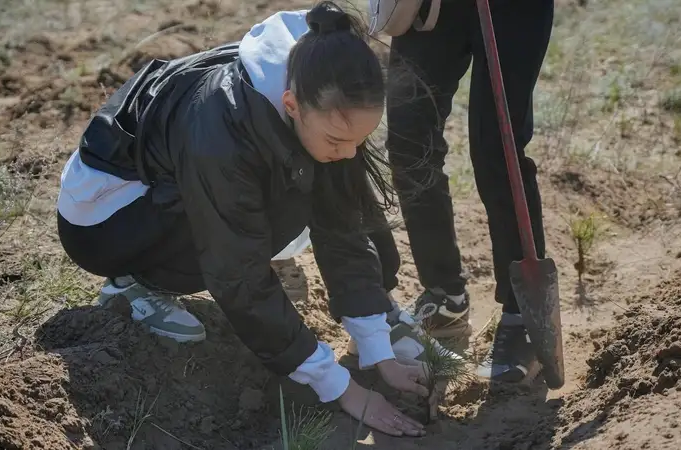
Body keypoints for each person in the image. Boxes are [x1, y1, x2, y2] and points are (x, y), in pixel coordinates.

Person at [55, 2, 442, 437]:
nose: (350, 151)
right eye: (338, 138)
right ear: (291, 104)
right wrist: (340, 387)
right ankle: (135, 285)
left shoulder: (323, 88)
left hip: (169, 188)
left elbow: (342, 226)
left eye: (360, 139)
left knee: (322, 189)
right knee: (276, 214)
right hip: (106, 218)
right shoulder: (220, 129)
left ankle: (368, 326)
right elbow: (236, 270)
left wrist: (377, 351)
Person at [376, 0, 555, 383]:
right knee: (409, 143)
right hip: (431, 7)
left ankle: (521, 314)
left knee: (497, 148)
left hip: (513, 10)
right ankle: (445, 298)